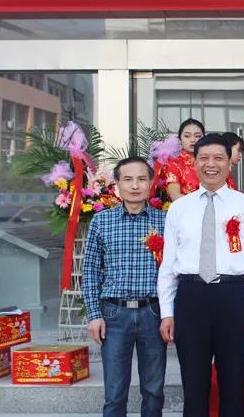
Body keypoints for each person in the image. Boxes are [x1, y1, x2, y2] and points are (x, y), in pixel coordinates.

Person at [157, 133, 244, 417]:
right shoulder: (179, 209)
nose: (211, 164)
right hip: (191, 296)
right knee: (194, 383)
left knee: (233, 381)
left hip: (233, 296)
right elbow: (168, 264)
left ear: (230, 162)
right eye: (203, 158)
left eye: (218, 158)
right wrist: (167, 312)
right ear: (193, 163)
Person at [81, 156, 167, 417]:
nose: (135, 185)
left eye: (141, 179)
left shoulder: (166, 221)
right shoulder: (101, 221)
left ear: (151, 183)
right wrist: (94, 315)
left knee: (154, 389)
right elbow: (89, 270)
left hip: (153, 312)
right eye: (128, 179)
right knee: (115, 392)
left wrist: (170, 314)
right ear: (117, 184)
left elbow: (175, 272)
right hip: (114, 314)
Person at [165, 118, 206, 201]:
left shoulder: (212, 161)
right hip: (186, 208)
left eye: (198, 136)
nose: (193, 140)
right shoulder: (174, 164)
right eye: (187, 136)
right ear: (180, 140)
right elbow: (175, 196)